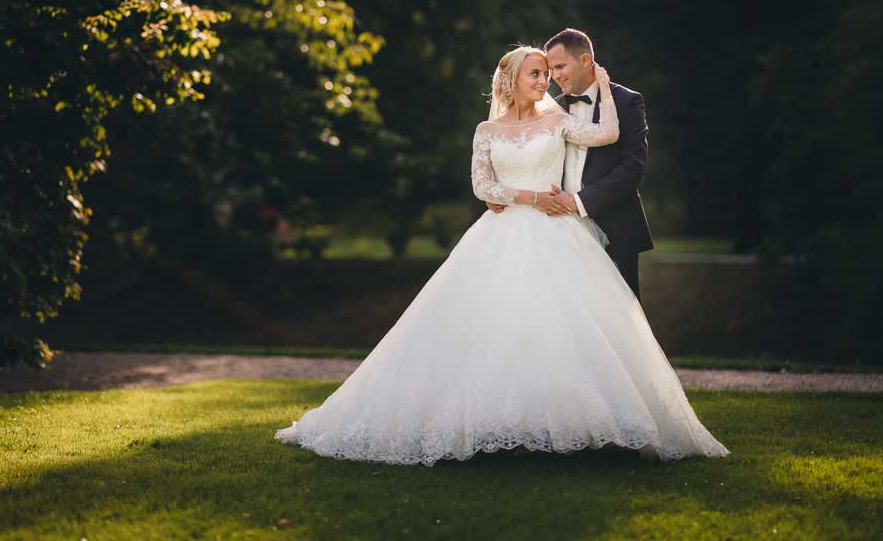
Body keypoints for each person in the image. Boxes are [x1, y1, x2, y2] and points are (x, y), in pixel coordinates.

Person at [274, 46, 729, 466]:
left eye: (548, 72)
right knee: (494, 327)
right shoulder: (486, 130)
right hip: (505, 232)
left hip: (560, 236)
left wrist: (605, 85)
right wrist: (532, 198)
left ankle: (575, 429)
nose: (545, 80)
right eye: (536, 72)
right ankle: (495, 428)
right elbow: (482, 188)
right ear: (511, 79)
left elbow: (608, 133)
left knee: (562, 329)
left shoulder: (557, 122)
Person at [488, 28, 654, 299]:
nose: (553, 76)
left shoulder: (626, 101)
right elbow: (525, 155)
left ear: (586, 60)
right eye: (549, 70)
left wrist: (577, 201)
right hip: (558, 229)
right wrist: (501, 193)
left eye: (560, 66)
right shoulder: (551, 108)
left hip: (615, 227)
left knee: (621, 316)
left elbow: (631, 169)